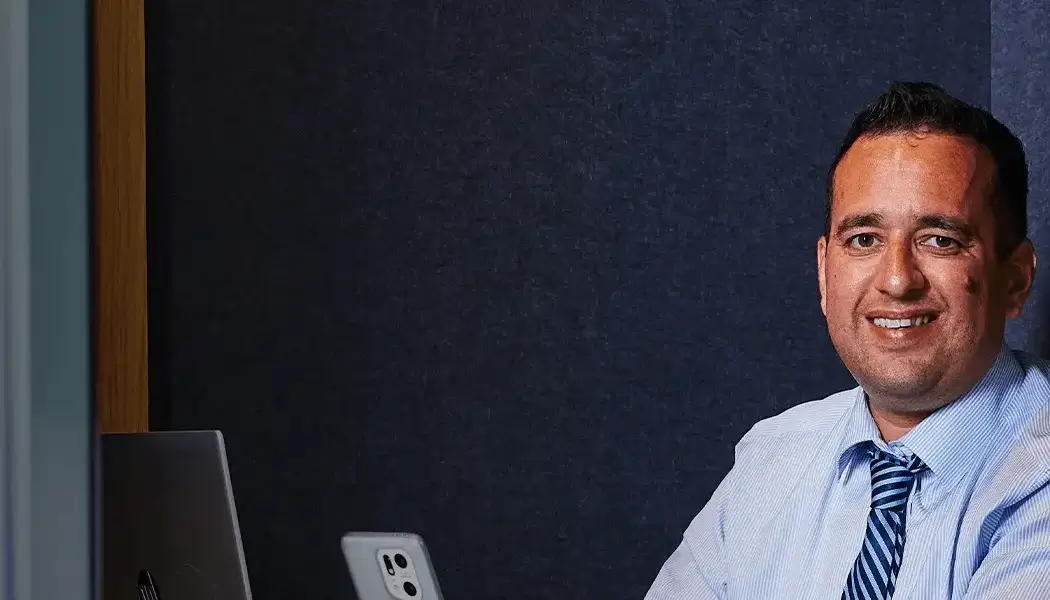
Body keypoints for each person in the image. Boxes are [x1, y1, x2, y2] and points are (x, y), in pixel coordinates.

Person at [644, 82, 1050, 599]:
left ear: (1015, 280)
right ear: (824, 272)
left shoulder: (1038, 472)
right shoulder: (771, 458)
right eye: (864, 239)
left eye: (939, 240)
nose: (897, 280)